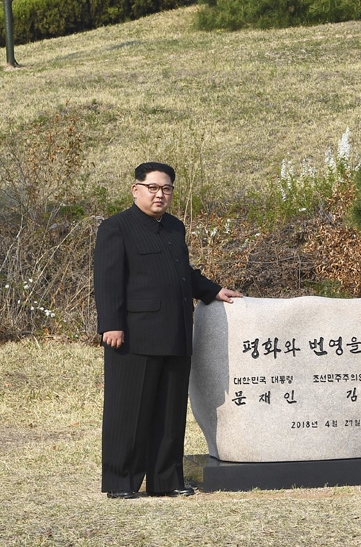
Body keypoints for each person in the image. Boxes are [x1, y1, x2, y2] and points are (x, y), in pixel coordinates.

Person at [94, 162, 243, 499]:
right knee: (128, 410)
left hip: (176, 332)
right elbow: (107, 281)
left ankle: (167, 480)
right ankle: (122, 483)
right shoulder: (116, 228)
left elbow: (182, 272)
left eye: (166, 189)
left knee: (170, 411)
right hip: (134, 335)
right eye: (153, 188)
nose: (160, 194)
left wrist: (212, 290)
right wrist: (111, 325)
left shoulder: (175, 227)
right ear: (136, 189)